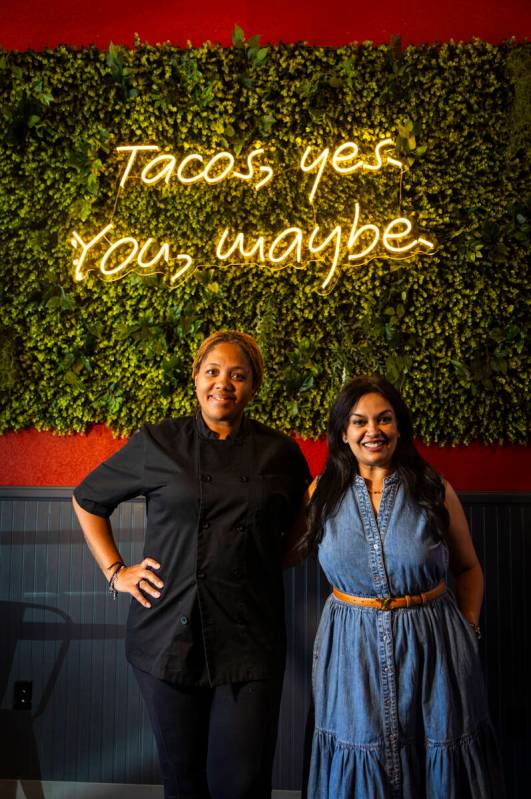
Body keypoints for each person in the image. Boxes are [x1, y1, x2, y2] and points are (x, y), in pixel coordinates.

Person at [72, 330, 311, 799]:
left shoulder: (280, 452)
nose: (224, 383)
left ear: (254, 386)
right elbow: (87, 499)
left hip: (250, 638)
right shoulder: (159, 442)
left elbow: (299, 530)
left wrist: (264, 562)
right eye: (213, 371)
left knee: (242, 784)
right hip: (167, 637)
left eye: (238, 375)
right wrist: (117, 572)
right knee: (183, 783)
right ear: (196, 378)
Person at [300, 375, 504, 799]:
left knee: (437, 750)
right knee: (359, 750)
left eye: (384, 420)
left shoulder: (432, 488)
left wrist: (467, 627)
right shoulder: (320, 494)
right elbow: (279, 553)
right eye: (359, 422)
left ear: (399, 428)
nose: (372, 431)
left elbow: (468, 568)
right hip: (350, 653)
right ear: (343, 432)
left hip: (435, 646)